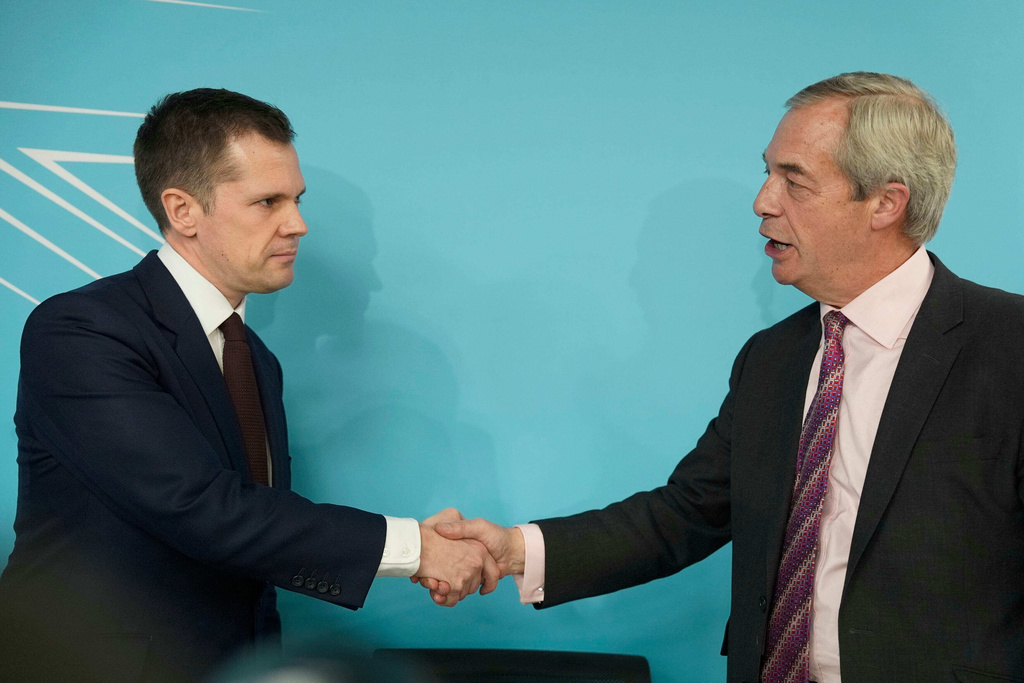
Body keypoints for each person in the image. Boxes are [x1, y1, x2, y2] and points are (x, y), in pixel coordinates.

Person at [423, 73, 1024, 683]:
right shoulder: (773, 357)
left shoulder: (1010, 347)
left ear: (885, 204)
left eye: (795, 181)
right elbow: (687, 513)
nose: (764, 201)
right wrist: (516, 548)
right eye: (768, 173)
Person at [0, 88, 496, 683]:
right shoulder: (82, 330)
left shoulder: (252, 355)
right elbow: (201, 508)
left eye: (297, 199)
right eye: (268, 202)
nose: (299, 224)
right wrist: (418, 547)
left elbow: (253, 537)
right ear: (183, 211)